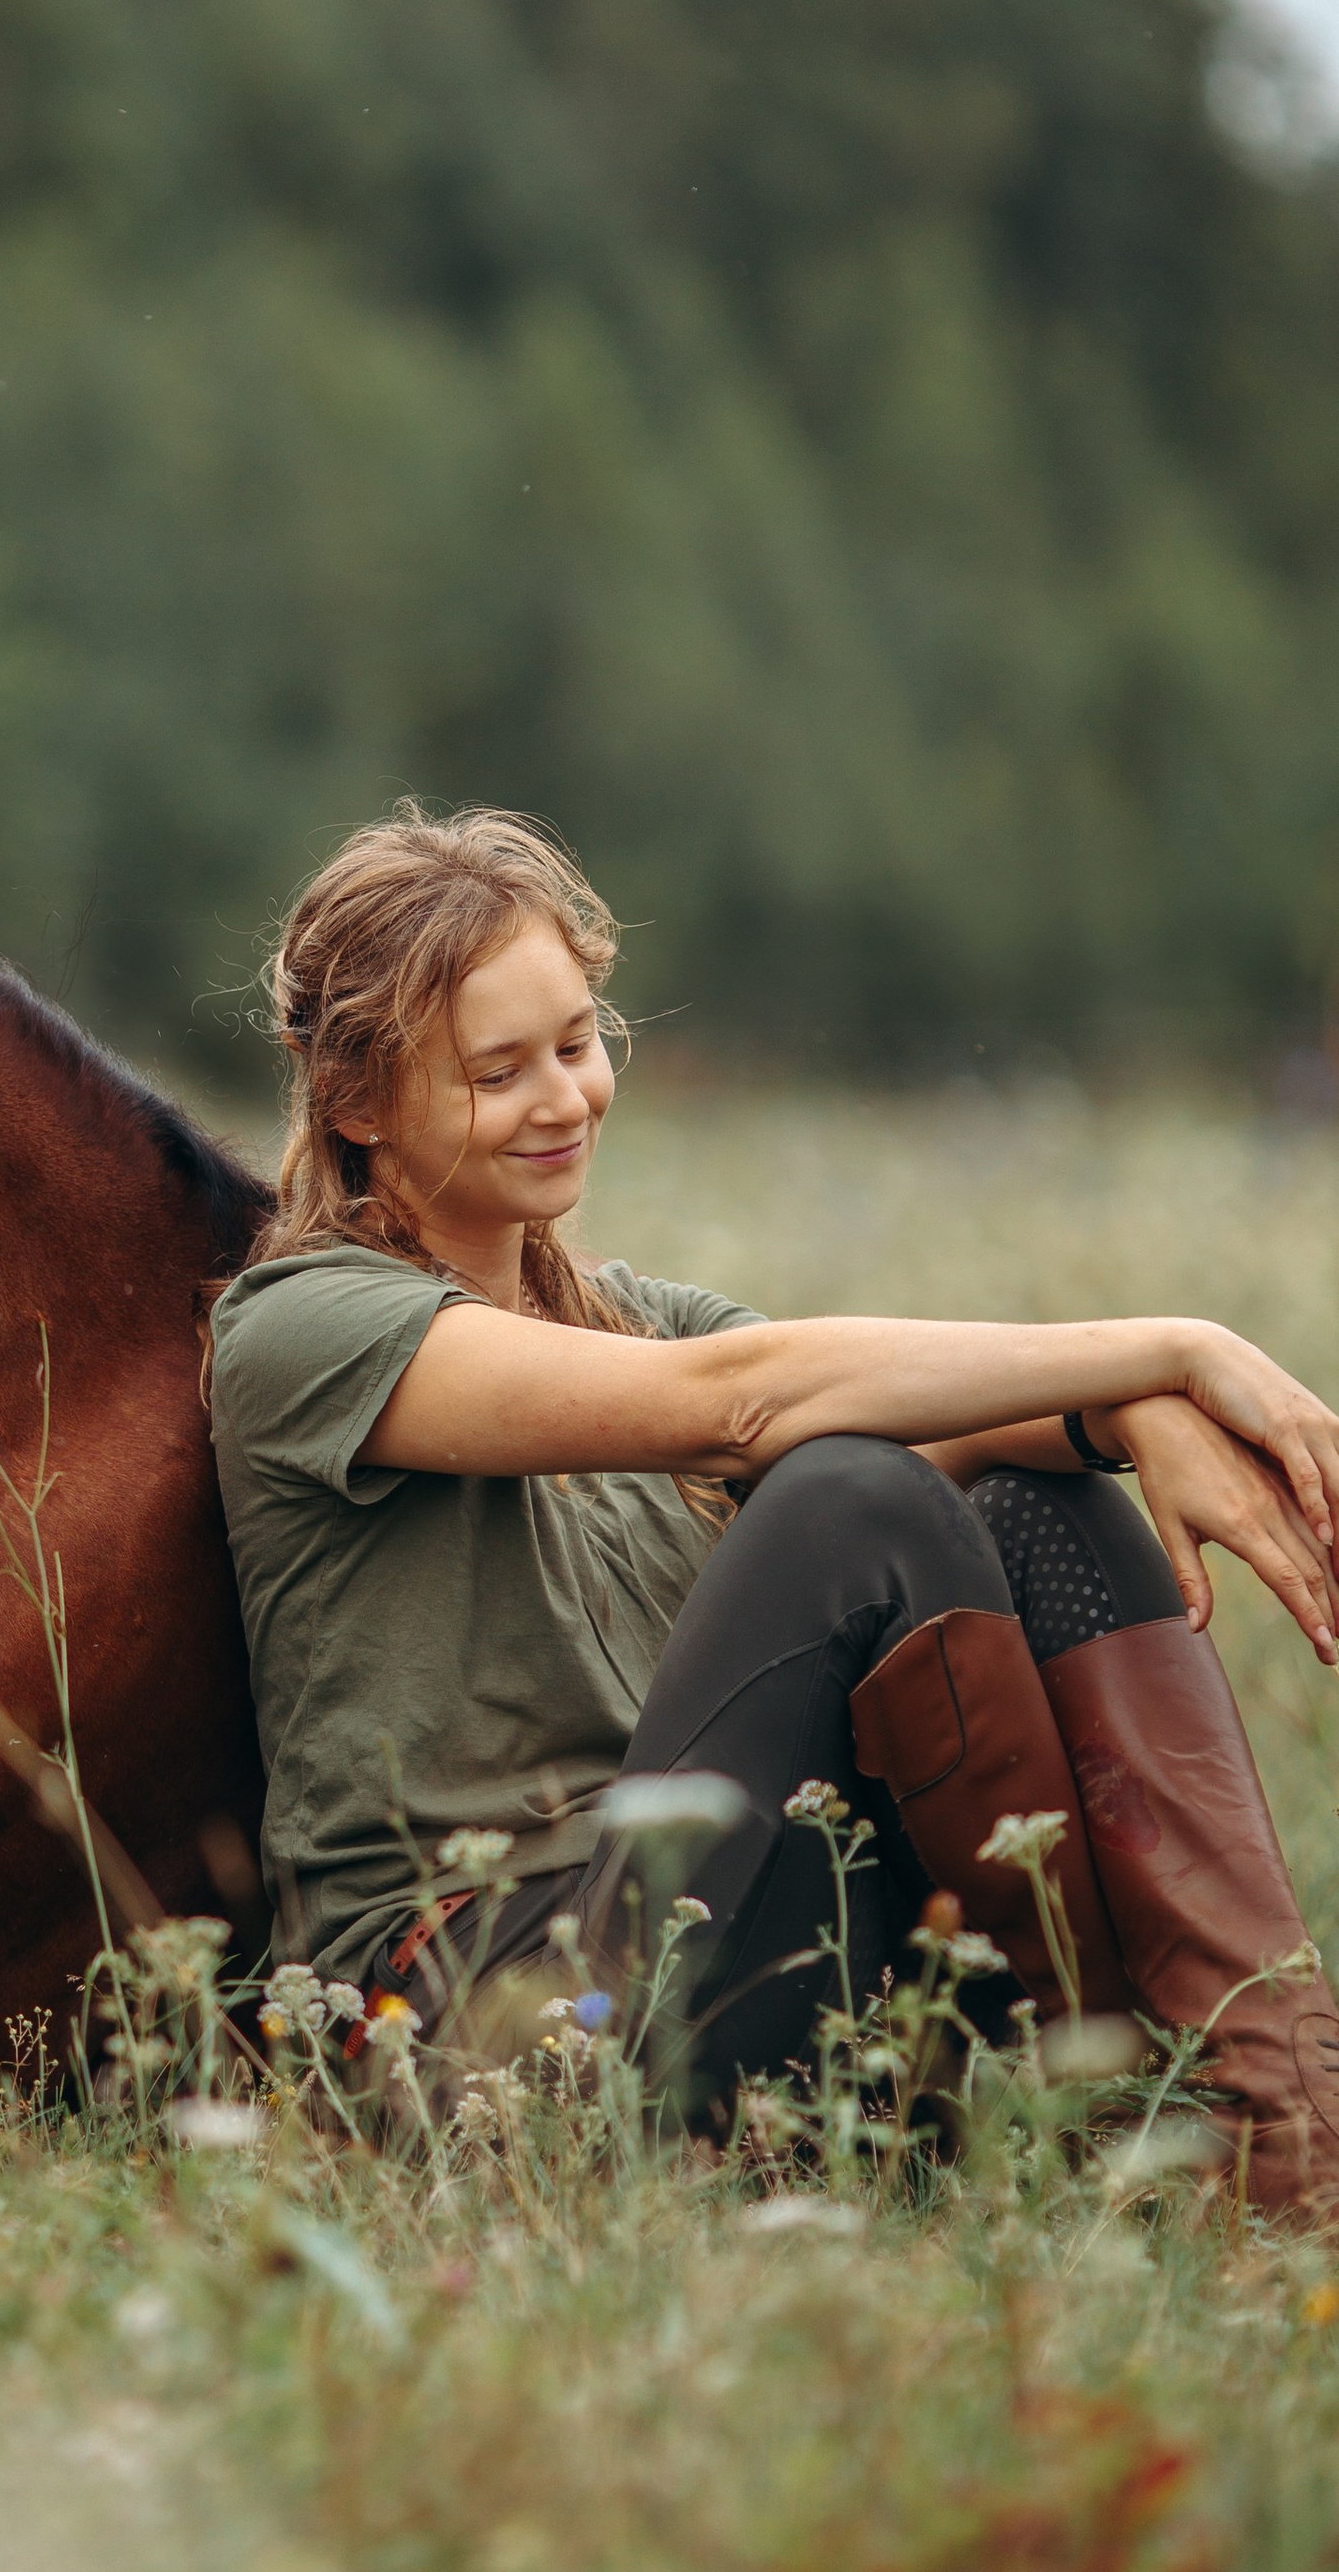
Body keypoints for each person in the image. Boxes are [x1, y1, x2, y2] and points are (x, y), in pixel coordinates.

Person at [207, 806, 1339, 2211]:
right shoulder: (301, 1331)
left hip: (735, 1932)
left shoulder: (633, 1321)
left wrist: (1126, 1419)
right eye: (498, 1073)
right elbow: (747, 1400)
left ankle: (1275, 2115)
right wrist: (1172, 1345)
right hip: (489, 2022)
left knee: (1045, 1497)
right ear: (358, 1102)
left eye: (576, 1043)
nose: (564, 1099)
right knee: (854, 1498)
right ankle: (1108, 2091)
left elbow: (939, 1409)